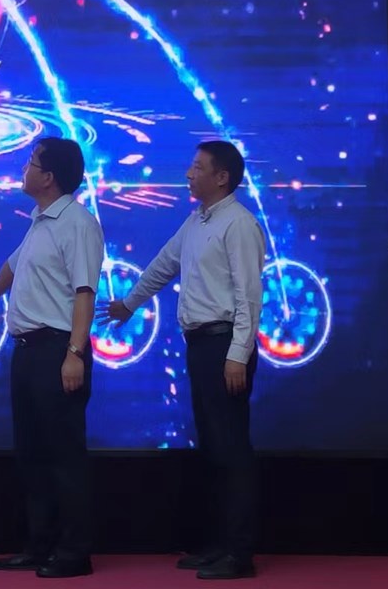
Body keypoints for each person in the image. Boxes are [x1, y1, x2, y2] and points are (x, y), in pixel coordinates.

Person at [98, 140, 264, 580]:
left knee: (232, 448)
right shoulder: (196, 222)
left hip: (225, 346)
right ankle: (218, 545)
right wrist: (129, 304)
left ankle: (239, 553)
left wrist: (238, 354)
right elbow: (162, 266)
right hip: (202, 346)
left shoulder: (239, 224)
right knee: (214, 448)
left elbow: (249, 296)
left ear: (222, 177)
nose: (189, 174)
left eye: (197, 167)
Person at [0, 137, 104, 579]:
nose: (24, 169)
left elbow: (85, 293)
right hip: (28, 352)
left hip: (58, 350)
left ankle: (74, 552)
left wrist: (75, 352)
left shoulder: (78, 223)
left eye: (31, 163)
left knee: (63, 455)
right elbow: (13, 265)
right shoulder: (41, 221)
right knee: (33, 454)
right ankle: (40, 546)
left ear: (49, 176)